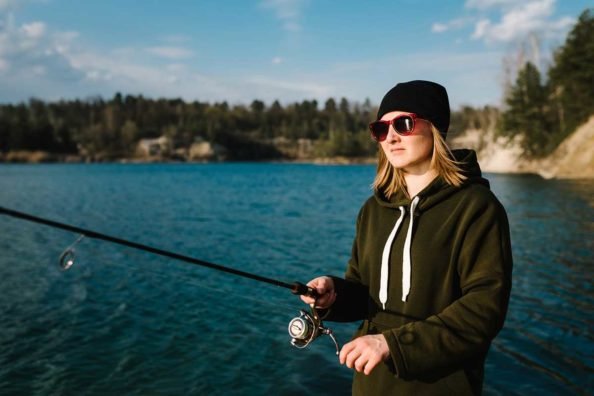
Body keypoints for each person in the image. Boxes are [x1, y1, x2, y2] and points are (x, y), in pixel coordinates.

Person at [301, 80, 513, 395]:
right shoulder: (374, 210)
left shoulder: (476, 207)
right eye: (381, 128)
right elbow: (365, 295)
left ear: (436, 129)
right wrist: (335, 295)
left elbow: (484, 308)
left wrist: (395, 344)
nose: (391, 137)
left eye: (404, 124)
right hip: (371, 384)